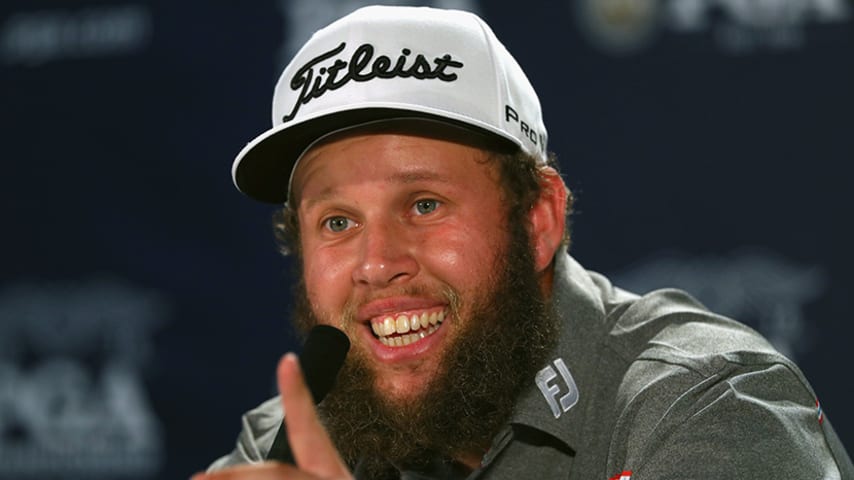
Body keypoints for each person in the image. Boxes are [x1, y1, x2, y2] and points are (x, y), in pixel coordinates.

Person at [195, 5, 853, 480]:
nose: (376, 264)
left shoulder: (711, 402)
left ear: (538, 219)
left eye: (424, 205)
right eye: (337, 222)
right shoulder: (291, 445)